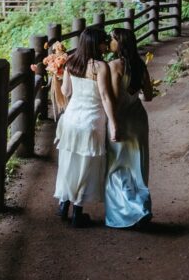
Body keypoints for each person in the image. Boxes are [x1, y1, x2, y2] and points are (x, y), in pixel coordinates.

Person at [51, 27, 118, 227]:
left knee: (68, 163)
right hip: (91, 121)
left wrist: (58, 74)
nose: (106, 45)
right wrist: (114, 125)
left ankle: (63, 205)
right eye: (103, 42)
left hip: (71, 120)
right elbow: (105, 97)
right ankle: (78, 212)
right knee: (86, 167)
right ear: (95, 44)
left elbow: (66, 90)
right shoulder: (100, 66)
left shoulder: (71, 62)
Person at [104, 28, 154, 228]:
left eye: (112, 39)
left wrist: (112, 123)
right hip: (139, 119)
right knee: (137, 166)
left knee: (116, 166)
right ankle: (142, 207)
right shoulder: (140, 65)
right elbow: (148, 96)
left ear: (120, 43)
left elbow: (114, 99)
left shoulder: (114, 66)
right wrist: (136, 96)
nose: (109, 42)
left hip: (121, 118)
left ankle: (128, 213)